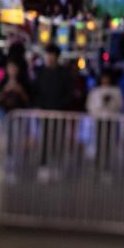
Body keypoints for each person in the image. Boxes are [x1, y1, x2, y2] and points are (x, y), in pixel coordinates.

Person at [33, 46, 76, 181]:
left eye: (52, 55)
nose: (50, 57)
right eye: (48, 55)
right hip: (44, 112)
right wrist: (40, 106)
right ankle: (44, 166)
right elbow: (36, 91)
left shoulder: (65, 73)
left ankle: (57, 165)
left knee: (59, 139)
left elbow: (70, 93)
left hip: (60, 112)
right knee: (44, 139)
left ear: (57, 57)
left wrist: (61, 106)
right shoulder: (40, 72)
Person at [87, 68, 124, 178]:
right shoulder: (95, 91)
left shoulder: (116, 91)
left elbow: (119, 105)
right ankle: (98, 166)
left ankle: (106, 168)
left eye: (107, 78)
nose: (105, 80)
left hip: (110, 119)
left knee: (108, 143)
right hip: (99, 120)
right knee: (99, 143)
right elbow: (90, 106)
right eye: (103, 78)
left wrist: (110, 103)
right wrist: (100, 106)